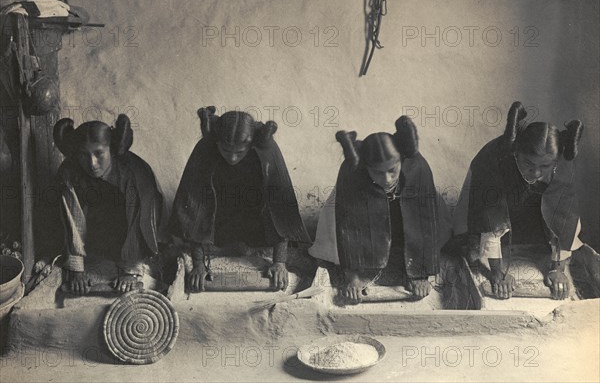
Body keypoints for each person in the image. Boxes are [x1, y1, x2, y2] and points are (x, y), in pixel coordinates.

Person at [309, 116, 451, 303]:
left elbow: (423, 220)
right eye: (378, 172)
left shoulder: (418, 168)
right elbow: (348, 226)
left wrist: (420, 274)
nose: (387, 179)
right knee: (333, 226)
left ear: (401, 160)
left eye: (392, 170)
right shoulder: (353, 174)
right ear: (366, 167)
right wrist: (353, 277)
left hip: (402, 217)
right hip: (366, 215)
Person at [169, 107, 311, 292]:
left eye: (240, 151)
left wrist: (279, 262)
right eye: (226, 150)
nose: (232, 157)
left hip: (255, 221)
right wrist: (198, 263)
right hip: (218, 219)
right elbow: (196, 207)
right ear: (217, 142)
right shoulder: (206, 149)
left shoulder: (266, 151)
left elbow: (279, 210)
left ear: (251, 144)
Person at [452, 101, 585, 300]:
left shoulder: (563, 163)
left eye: (545, 166)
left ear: (555, 161)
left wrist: (558, 268)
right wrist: (496, 271)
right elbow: (490, 218)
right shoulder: (493, 159)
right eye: (529, 164)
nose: (537, 173)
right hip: (492, 199)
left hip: (530, 204)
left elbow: (565, 217)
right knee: (472, 246)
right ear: (516, 154)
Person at [54, 114, 167, 295]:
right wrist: (77, 269)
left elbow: (139, 221)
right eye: (84, 154)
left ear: (111, 149)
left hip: (135, 243)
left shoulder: (135, 174)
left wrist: (130, 271)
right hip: (94, 243)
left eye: (99, 153)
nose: (92, 163)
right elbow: (72, 217)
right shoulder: (70, 171)